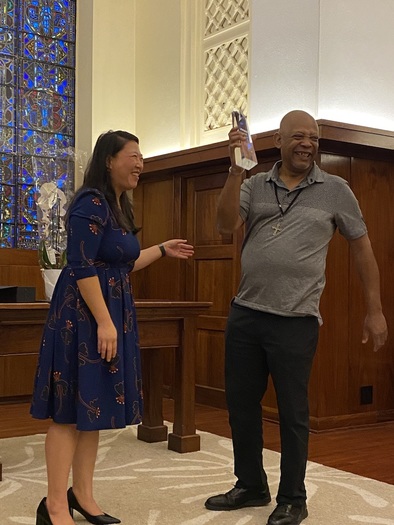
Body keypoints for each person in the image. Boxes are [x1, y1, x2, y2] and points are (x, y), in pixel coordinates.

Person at [204, 110, 388, 525]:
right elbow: (223, 224)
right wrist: (235, 171)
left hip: (296, 319)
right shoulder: (254, 184)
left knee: (293, 411)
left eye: (314, 138)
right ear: (279, 142)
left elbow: (362, 249)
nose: (307, 143)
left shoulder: (336, 190)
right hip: (246, 314)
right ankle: (251, 485)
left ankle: (293, 498)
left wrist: (374, 310)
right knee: (241, 407)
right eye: (298, 137)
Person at [30, 130, 194, 525]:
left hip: (108, 312)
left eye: (142, 157)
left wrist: (160, 250)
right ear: (109, 160)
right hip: (82, 318)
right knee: (68, 412)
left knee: (93, 407)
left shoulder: (118, 206)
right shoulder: (90, 201)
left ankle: (82, 496)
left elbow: (118, 266)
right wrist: (105, 322)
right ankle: (53, 504)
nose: (140, 163)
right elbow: (83, 266)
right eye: (133, 156)